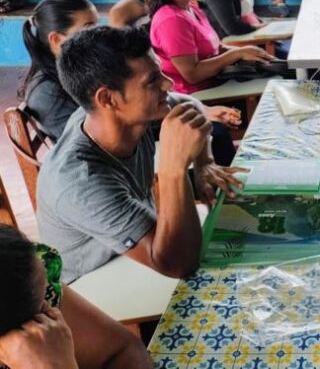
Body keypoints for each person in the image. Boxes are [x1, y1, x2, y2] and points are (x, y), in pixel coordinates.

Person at [36, 26, 244, 283]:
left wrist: (204, 162)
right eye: (152, 81)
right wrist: (172, 170)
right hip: (89, 283)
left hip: (131, 250)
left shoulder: (118, 115)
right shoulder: (79, 183)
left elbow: (189, 106)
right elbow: (180, 264)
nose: (167, 83)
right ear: (108, 99)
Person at [18, 0, 241, 146]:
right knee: (212, 134)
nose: (97, 32)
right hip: (119, 159)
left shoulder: (91, 64)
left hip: (134, 136)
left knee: (209, 128)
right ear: (57, 40)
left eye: (97, 24)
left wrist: (199, 109)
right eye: (88, 28)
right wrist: (181, 119)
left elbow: (143, 93)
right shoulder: (46, 93)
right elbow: (97, 143)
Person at [0, 225, 152, 368]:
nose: (52, 309)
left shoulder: (19, 272)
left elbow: (124, 350)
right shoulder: (21, 299)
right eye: (42, 306)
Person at [148, 0, 273, 94]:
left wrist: (245, 52)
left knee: (273, 72)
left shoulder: (191, 7)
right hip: (197, 94)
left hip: (217, 80)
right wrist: (237, 54)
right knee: (272, 87)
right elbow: (193, 74)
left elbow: (216, 47)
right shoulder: (171, 20)